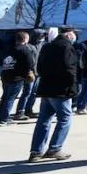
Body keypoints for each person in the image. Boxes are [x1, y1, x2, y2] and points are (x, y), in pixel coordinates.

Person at [29, 26, 79, 162]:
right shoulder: (66, 47)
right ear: (69, 34)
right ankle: (54, 148)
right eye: (74, 33)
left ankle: (36, 151)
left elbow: (39, 67)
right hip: (60, 89)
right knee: (65, 118)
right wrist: (73, 88)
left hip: (46, 87)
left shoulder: (47, 46)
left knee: (44, 120)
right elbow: (70, 69)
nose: (75, 35)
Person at [0, 32, 36, 126]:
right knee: (10, 98)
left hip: (5, 75)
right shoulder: (25, 49)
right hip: (17, 78)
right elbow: (30, 63)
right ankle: (4, 119)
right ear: (25, 39)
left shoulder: (9, 49)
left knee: (5, 97)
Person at [14, 30, 46, 120]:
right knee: (27, 92)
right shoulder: (28, 46)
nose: (42, 38)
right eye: (41, 36)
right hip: (30, 73)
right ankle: (20, 111)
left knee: (34, 93)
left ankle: (29, 110)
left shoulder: (40, 45)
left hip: (38, 73)